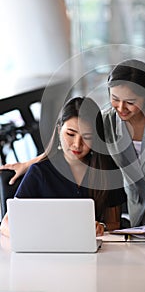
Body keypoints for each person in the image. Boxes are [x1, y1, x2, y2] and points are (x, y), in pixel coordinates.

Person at [1, 59, 145, 235]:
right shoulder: (107, 121)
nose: (120, 107)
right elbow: (71, 138)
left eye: (130, 101)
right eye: (114, 98)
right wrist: (30, 163)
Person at [0, 97, 126, 237]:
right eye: (70, 134)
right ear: (59, 129)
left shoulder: (106, 171)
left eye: (87, 137)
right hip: (48, 251)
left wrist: (101, 228)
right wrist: (34, 237)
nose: (77, 144)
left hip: (95, 251)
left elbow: (114, 224)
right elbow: (6, 224)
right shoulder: (40, 172)